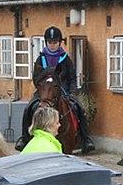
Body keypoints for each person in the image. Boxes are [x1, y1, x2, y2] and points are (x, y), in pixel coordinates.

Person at [15, 25, 95, 154]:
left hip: (63, 91)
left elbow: (72, 77)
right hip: (44, 91)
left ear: (60, 42)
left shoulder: (66, 59)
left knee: (79, 108)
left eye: (55, 42)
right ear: (46, 43)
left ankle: (85, 139)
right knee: (28, 108)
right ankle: (24, 138)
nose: (52, 45)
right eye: (50, 42)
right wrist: (44, 85)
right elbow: (36, 78)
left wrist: (73, 92)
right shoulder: (40, 59)